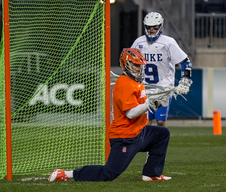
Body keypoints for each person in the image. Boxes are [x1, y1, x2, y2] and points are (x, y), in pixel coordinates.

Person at [48, 48, 171, 182]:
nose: (139, 68)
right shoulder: (124, 83)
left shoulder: (136, 82)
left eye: (140, 65)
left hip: (138, 132)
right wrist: (149, 104)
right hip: (125, 136)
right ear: (126, 64)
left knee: (162, 134)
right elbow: (130, 113)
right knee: (108, 173)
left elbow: (142, 103)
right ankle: (67, 173)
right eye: (136, 65)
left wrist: (157, 98)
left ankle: (151, 174)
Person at [131, 12, 192, 127]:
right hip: (145, 88)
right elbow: (130, 61)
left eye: (155, 27)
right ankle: (147, 145)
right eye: (149, 27)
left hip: (163, 88)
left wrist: (185, 79)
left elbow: (185, 61)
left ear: (161, 26)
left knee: (160, 121)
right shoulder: (139, 42)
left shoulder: (168, 42)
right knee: (145, 122)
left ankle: (162, 142)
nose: (151, 30)